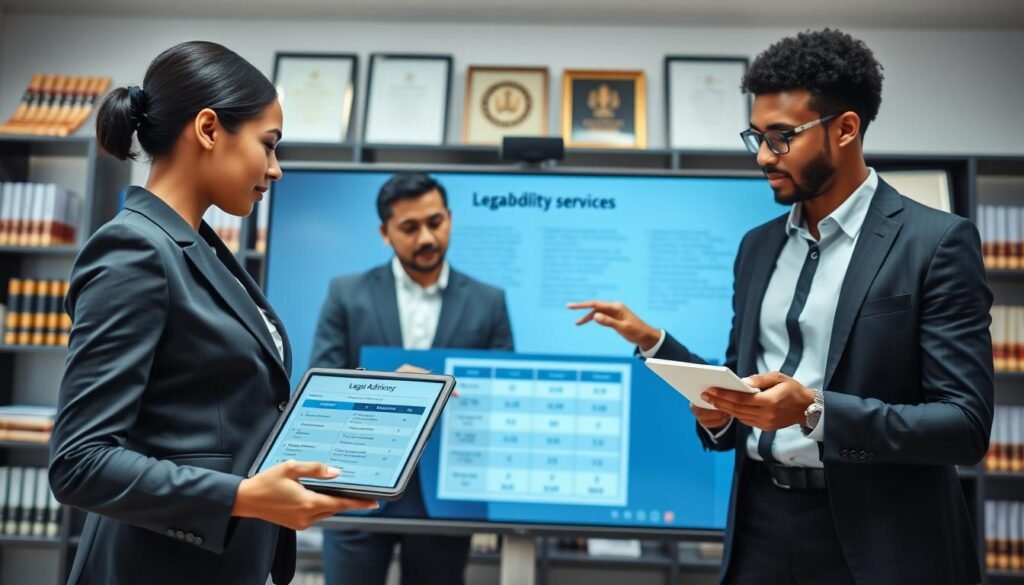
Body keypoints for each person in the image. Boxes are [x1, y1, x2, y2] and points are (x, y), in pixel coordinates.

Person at [570, 29, 992, 585]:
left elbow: (964, 426)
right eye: (757, 137)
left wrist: (815, 412)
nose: (764, 156)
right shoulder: (758, 246)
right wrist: (710, 403)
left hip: (880, 540)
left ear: (845, 129)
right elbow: (743, 383)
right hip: (760, 529)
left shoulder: (935, 242)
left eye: (782, 137)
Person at [48, 41, 376, 585]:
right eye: (268, 146)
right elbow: (80, 463)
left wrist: (373, 403)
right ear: (207, 129)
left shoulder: (197, 248)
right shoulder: (133, 251)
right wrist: (244, 497)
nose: (275, 170)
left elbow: (232, 406)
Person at [311, 172, 514, 585]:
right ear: (385, 233)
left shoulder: (488, 302)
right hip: (357, 487)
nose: (426, 238)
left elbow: (502, 393)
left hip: (444, 492)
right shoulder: (346, 294)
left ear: (450, 219)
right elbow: (320, 389)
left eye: (435, 222)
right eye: (409, 227)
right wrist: (386, 386)